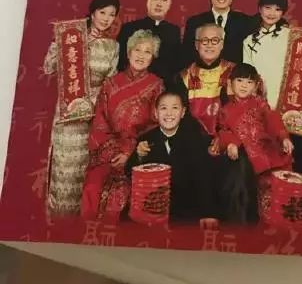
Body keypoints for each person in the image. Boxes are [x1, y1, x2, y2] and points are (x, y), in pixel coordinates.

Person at [43, 0, 120, 216]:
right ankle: (58, 218)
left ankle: (80, 221)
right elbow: (48, 68)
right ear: (92, 13)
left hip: (93, 117)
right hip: (67, 115)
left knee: (85, 171)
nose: (106, 19)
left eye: (112, 15)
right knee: (64, 168)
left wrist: (92, 105)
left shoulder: (112, 47)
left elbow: (110, 85)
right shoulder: (72, 37)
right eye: (102, 12)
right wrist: (59, 42)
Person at [243, 0, 302, 176]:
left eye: (277, 9)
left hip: (291, 102)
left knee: (298, 155)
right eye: (268, 8)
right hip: (264, 104)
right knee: (268, 159)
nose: (272, 13)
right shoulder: (249, 41)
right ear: (259, 8)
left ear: (283, 12)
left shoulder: (292, 35)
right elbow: (248, 76)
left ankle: (301, 190)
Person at [81, 30, 164, 220]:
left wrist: (129, 152)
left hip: (138, 154)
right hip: (108, 152)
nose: (141, 55)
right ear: (128, 52)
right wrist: (114, 151)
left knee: (121, 195)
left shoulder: (156, 85)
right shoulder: (110, 84)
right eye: (137, 50)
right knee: (92, 187)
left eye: (147, 52)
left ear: (153, 57)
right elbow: (100, 123)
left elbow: (155, 125)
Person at [216, 63, 293, 224]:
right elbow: (224, 131)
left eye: (249, 82)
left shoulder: (259, 103)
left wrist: (283, 137)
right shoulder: (225, 110)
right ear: (231, 83)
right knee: (238, 181)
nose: (244, 85)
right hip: (243, 155)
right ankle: (242, 220)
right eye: (240, 80)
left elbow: (272, 120)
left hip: (264, 151)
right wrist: (231, 143)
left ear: (255, 86)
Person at [126, 91, 215, 221]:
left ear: (183, 112)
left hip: (187, 211)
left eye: (175, 108)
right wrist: (139, 155)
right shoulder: (145, 139)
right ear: (155, 113)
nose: (169, 113)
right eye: (163, 108)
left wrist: (208, 214)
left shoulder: (196, 139)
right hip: (154, 211)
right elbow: (129, 173)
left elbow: (204, 180)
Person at [182, 0, 255, 67]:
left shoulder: (246, 22)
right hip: (202, 74)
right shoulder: (195, 22)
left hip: (236, 74)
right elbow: (186, 58)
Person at [178, 23, 234, 137]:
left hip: (230, 139)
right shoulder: (183, 77)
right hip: (194, 138)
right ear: (196, 45)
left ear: (222, 44)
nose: (209, 45)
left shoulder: (235, 73)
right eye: (204, 40)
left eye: (215, 40)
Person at [117, 0, 181, 82]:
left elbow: (175, 65)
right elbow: (121, 62)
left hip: (163, 85)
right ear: (148, 1)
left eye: (164, 0)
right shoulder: (129, 28)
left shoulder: (174, 31)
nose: (159, 4)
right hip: (132, 83)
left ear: (169, 5)